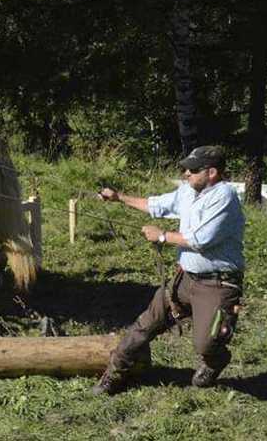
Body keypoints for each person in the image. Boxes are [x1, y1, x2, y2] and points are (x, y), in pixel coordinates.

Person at [92, 146, 245, 395]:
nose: (186, 173)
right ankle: (114, 374)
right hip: (184, 279)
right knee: (144, 325)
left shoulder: (224, 196)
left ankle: (215, 359)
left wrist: (162, 236)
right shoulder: (188, 191)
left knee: (206, 343)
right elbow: (156, 205)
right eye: (185, 169)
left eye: (193, 170)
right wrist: (119, 197)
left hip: (217, 285)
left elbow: (201, 240)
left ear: (213, 172)